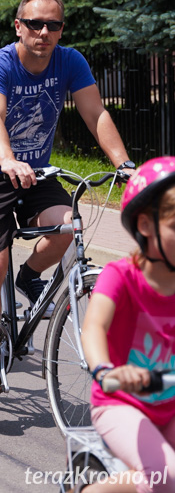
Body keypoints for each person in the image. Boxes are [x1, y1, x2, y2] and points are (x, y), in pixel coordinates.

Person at [0, 0, 135, 397]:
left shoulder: (69, 61)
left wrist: (122, 163)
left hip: (36, 174)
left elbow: (96, 113)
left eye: (52, 25)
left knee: (68, 226)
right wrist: (6, 160)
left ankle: (31, 275)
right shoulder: (0, 63)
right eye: (35, 24)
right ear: (18, 26)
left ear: (61, 30)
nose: (43, 32)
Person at [74, 156, 175, 493]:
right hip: (121, 403)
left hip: (170, 403)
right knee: (166, 478)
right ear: (145, 226)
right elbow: (94, 327)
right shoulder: (121, 277)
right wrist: (106, 370)